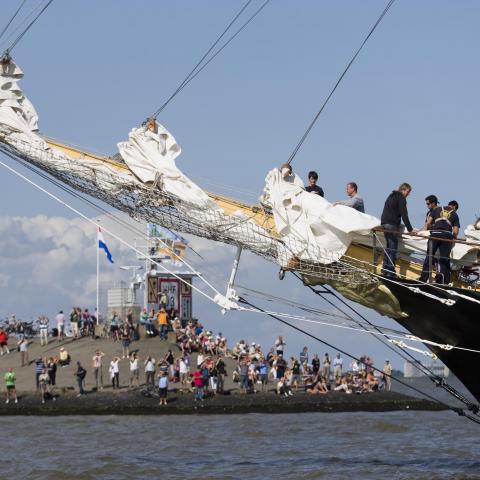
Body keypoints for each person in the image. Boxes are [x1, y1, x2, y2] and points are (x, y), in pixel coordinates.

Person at [380, 183, 416, 278]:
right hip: (391, 224)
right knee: (392, 248)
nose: (408, 194)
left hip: (384, 223)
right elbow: (404, 215)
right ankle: (390, 271)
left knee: (388, 246)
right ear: (403, 190)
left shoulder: (391, 196)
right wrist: (410, 229)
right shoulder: (401, 198)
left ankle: (385, 268)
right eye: (408, 192)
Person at [419, 202, 460, 284]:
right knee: (444, 259)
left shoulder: (437, 209)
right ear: (454, 207)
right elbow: (455, 231)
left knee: (429, 256)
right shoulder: (455, 214)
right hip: (446, 236)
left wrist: (420, 232)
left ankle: (423, 278)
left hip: (435, 234)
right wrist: (454, 238)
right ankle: (440, 279)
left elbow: (428, 223)